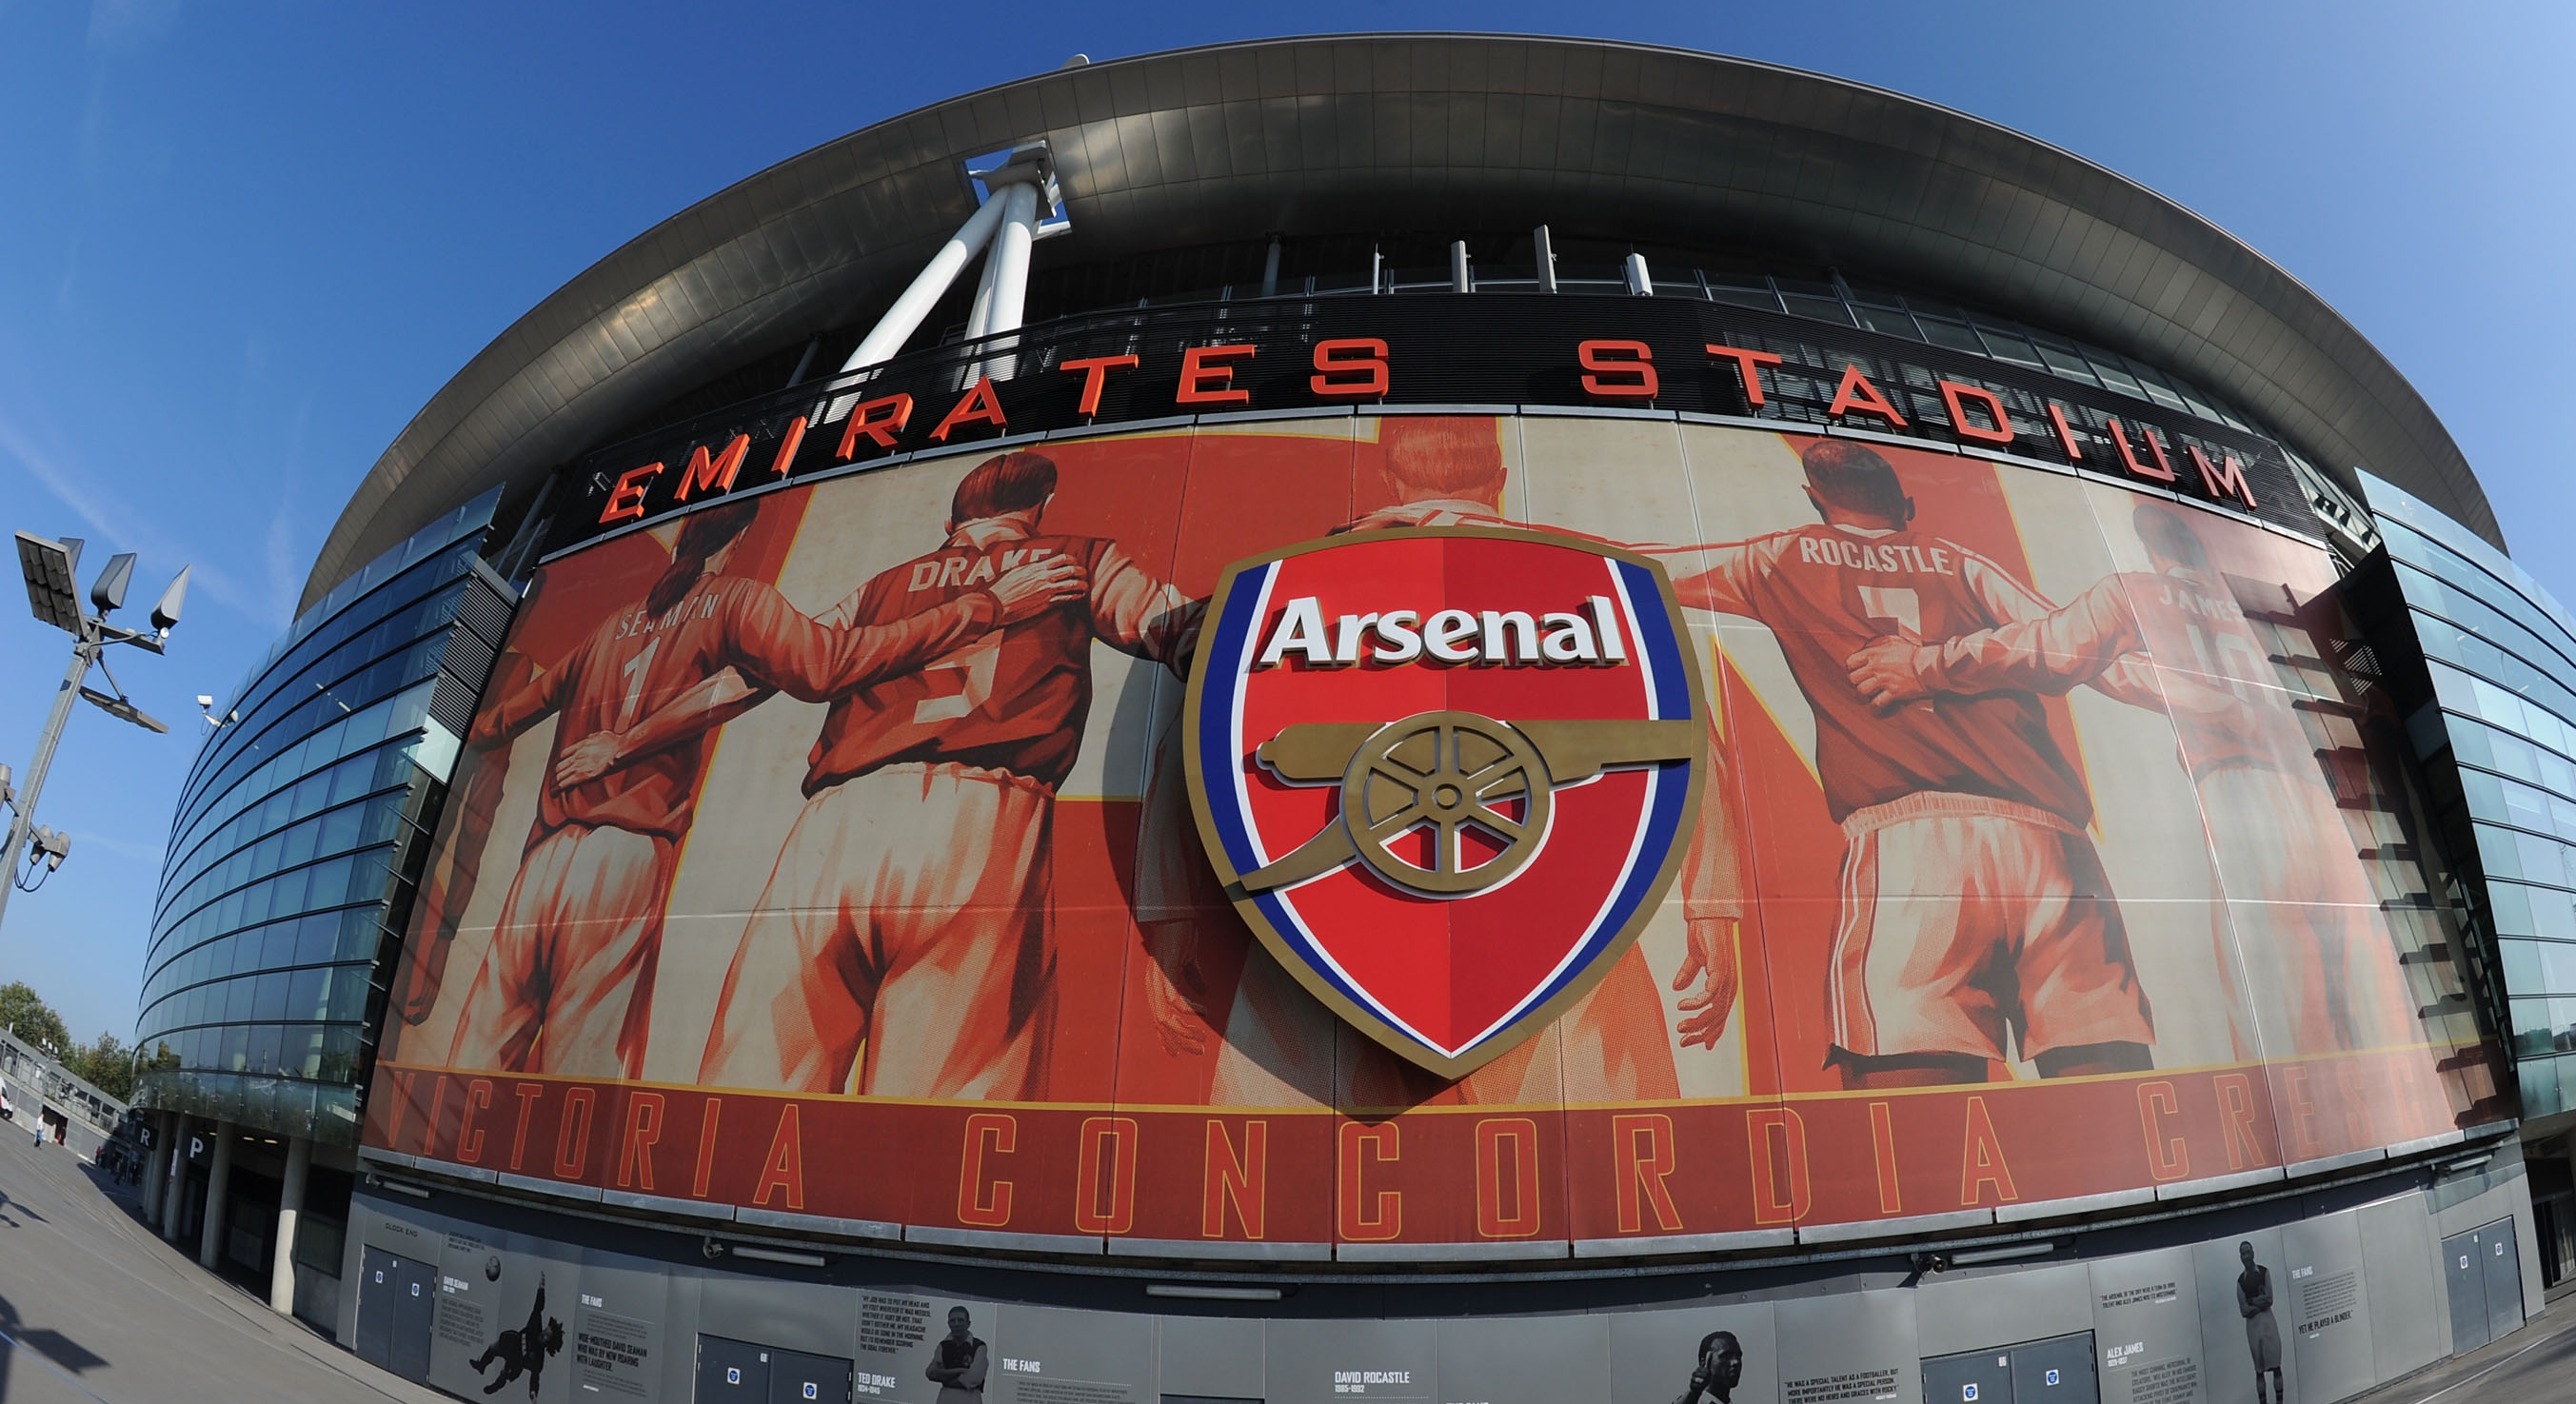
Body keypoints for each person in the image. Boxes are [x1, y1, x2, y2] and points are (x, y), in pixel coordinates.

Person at [1140, 415, 1743, 1107]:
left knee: (1293, 1167)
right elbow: (1685, 736)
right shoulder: (1594, 579)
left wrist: (1170, 916)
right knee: (1592, 1167)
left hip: (1321, 941)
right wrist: (1714, 908)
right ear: (1500, 479)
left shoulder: (1279, 584)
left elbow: (1190, 744)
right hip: (1560, 931)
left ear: (1389, 477)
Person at [430, 503, 1075, 1079]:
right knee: (583, 1074)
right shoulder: (740, 601)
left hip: (537, 868)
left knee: (473, 1057)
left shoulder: (607, 631)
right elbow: (826, 666)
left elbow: (493, 725)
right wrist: (985, 608)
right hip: (621, 855)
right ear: (734, 540)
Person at [675, 449, 1202, 1099]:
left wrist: (624, 738)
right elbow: (1176, 626)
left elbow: (758, 675)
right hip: (979, 819)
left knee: (750, 1083)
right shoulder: (1076, 558)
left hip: (835, 822)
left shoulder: (886, 585)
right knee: (940, 1110)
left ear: (952, 518)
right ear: (1041, 507)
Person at [1844, 498, 2430, 1064]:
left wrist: (1928, 665)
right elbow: (2364, 681)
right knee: (2369, 957)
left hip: (2237, 780)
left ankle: (2319, 1120)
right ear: (2200, 550)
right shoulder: (2267, 610)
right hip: (2329, 792)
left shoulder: (2139, 590)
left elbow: (2048, 649)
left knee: (2278, 960)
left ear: (2151, 549)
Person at [1665, 438, 2155, 1087]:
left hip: (1913, 843)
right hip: (2054, 844)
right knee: (2107, 1072)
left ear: (1817, 502)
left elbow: (1633, 567)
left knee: (1914, 1093)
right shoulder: (1962, 564)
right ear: (1909, 506)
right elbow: (2098, 663)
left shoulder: (1775, 556)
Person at [470, 1275, 566, 1404]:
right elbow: (538, 1307)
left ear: (547, 1343)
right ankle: (482, 1365)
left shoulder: (538, 1359)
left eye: (546, 1336)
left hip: (516, 1361)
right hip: (510, 1343)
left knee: (505, 1372)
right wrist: (541, 1289)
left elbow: (535, 1378)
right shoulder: (535, 1325)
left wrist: (533, 1393)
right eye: (545, 1331)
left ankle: (496, 1386)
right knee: (492, 1348)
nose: (543, 1333)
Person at [2237, 1241, 2286, 1404]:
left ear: (2253, 1252)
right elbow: (2243, 1310)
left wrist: (2253, 1301)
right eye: (2243, 1253)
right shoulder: (2240, 1281)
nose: (2247, 1256)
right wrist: (2258, 1303)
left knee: (2276, 1366)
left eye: (2248, 1252)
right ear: (2240, 1257)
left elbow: (2269, 1299)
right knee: (2259, 1370)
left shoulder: (2264, 1272)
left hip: (2268, 1324)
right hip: (2253, 1328)